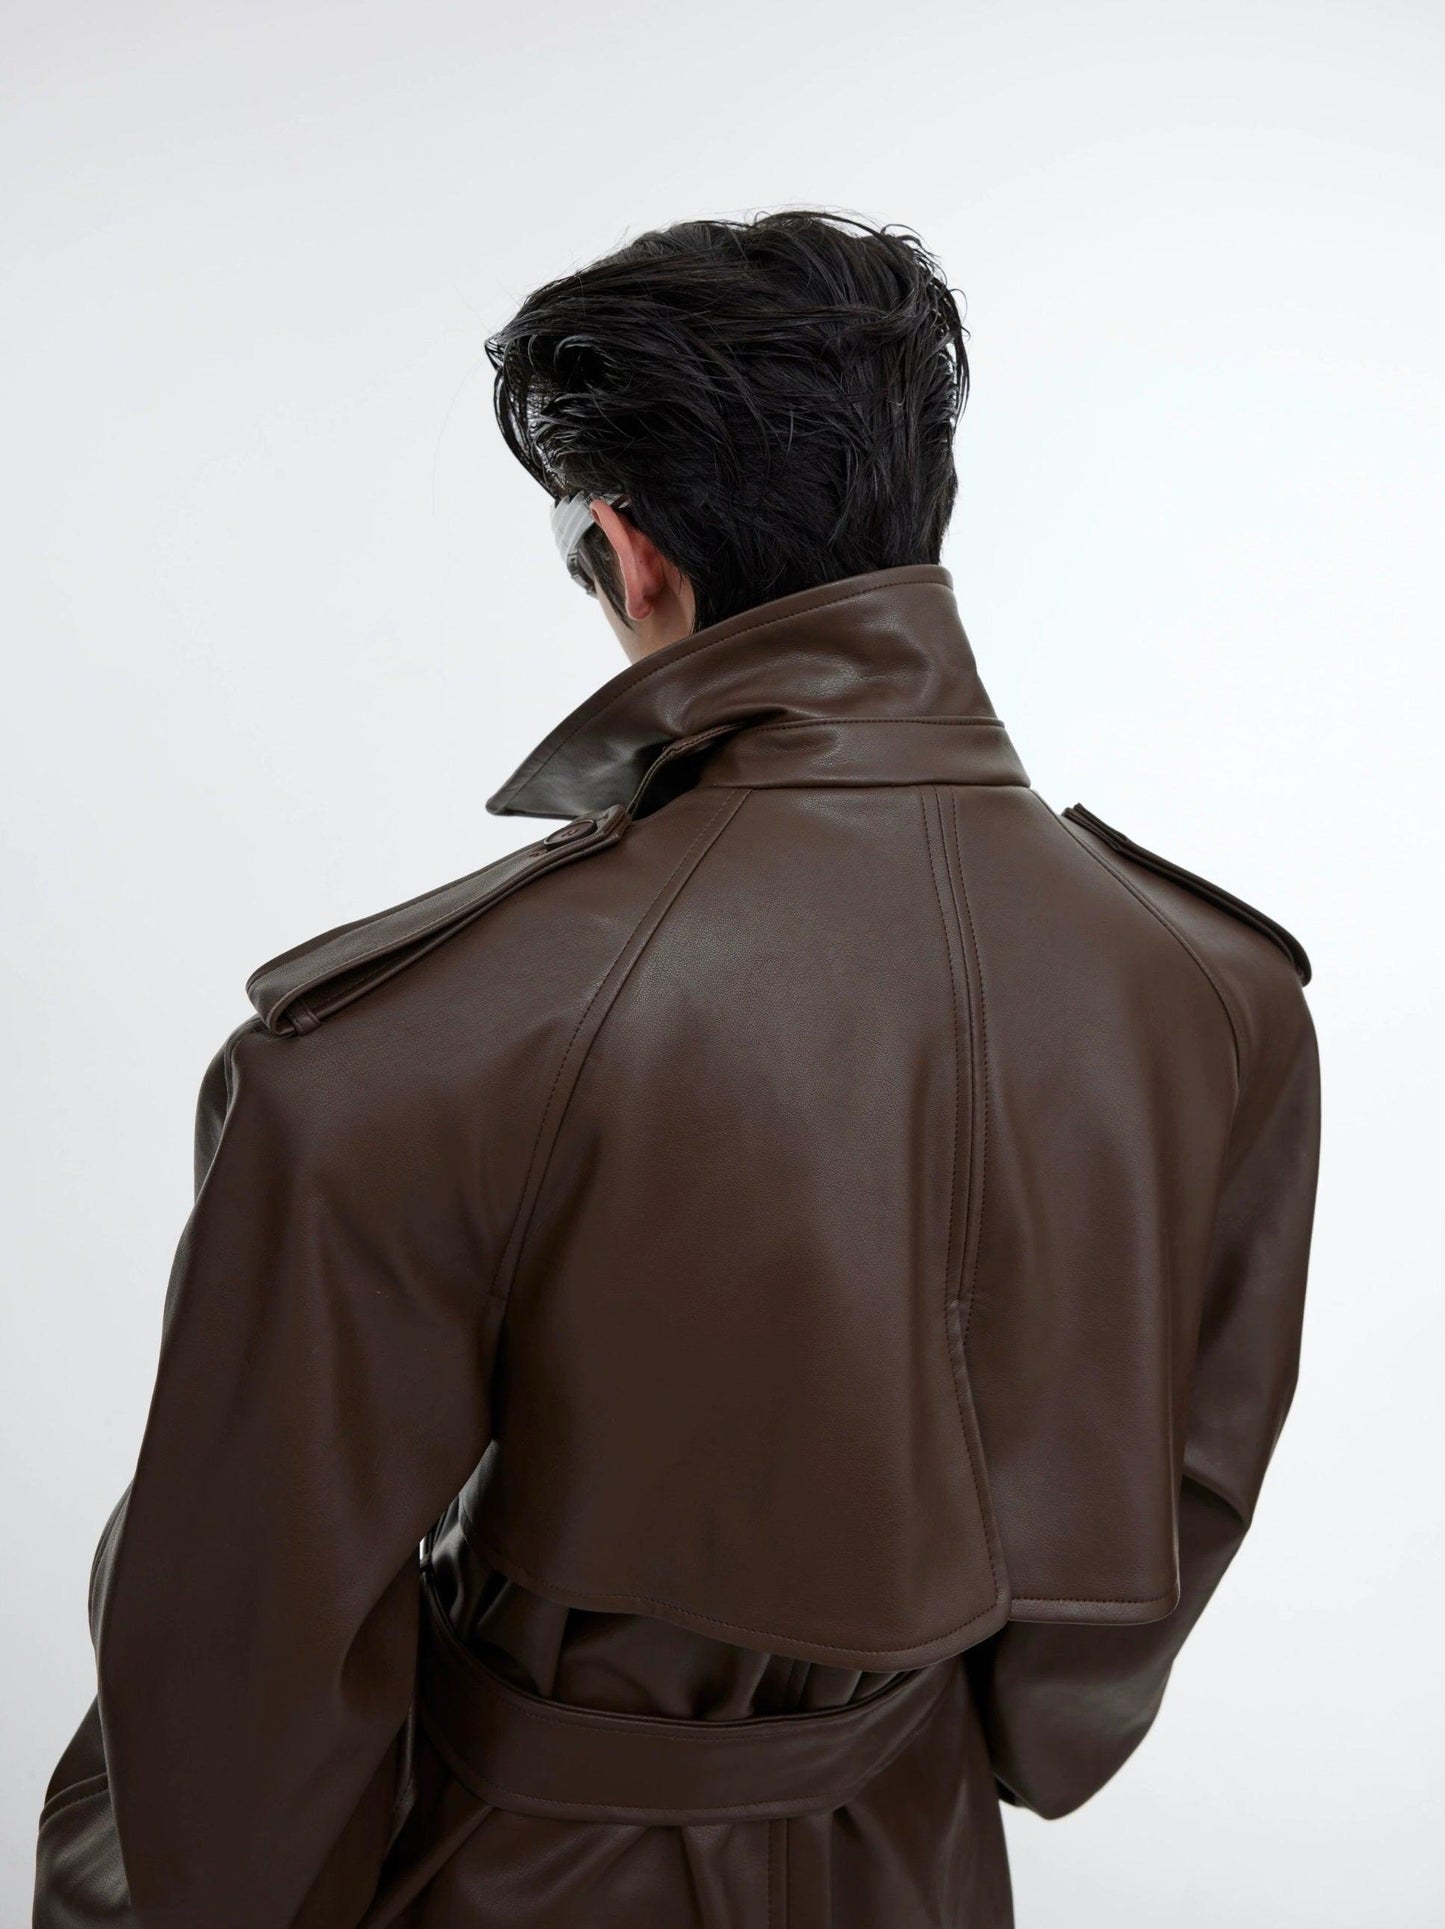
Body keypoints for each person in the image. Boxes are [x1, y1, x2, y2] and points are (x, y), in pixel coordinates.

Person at [33, 210, 1320, 1929]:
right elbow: (1172, 1509)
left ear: (631, 551)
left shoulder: (401, 1050)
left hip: (516, 1872)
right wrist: (954, 1718)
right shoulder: (1220, 994)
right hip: (921, 1852)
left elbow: (238, 1664)